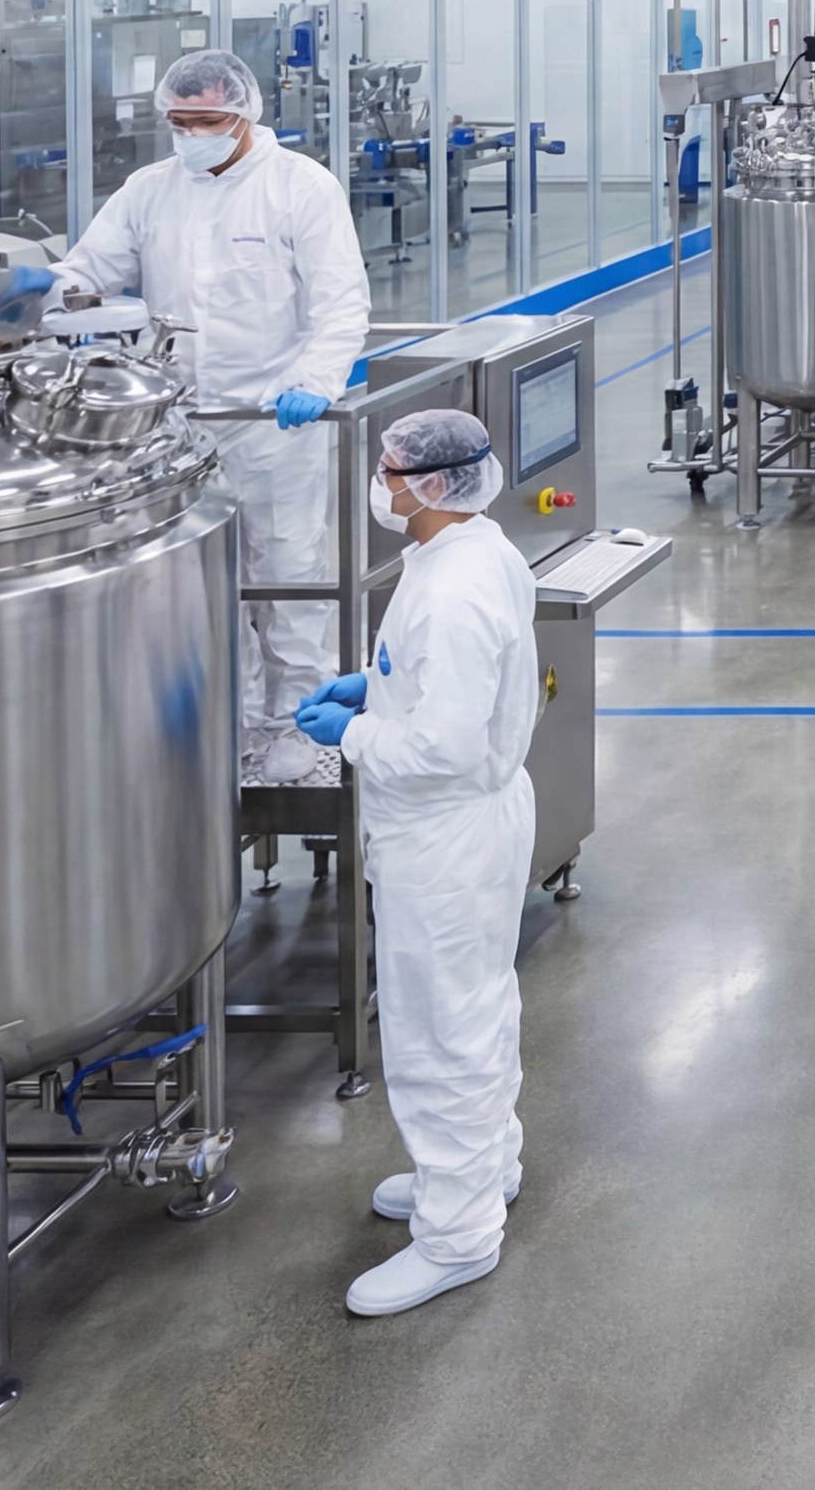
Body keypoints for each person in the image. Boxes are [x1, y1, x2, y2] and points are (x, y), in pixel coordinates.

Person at [19, 49, 366, 785]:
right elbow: (88, 273)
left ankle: (301, 731)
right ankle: (229, 731)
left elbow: (341, 303)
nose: (191, 135)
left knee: (289, 581)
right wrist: (33, 289)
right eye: (179, 122)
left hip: (275, 423)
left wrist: (315, 382)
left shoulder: (300, 187)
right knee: (205, 588)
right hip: (178, 429)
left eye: (206, 121)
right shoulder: (150, 191)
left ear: (243, 115)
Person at [293, 410, 541, 1318]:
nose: (380, 483)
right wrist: (381, 685)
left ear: (430, 486)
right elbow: (460, 688)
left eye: (390, 471)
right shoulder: (472, 549)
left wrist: (353, 731)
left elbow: (441, 747)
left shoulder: (453, 591)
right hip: (467, 824)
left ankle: (457, 1236)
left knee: (441, 1035)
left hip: (445, 836)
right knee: (476, 1007)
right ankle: (483, 1168)